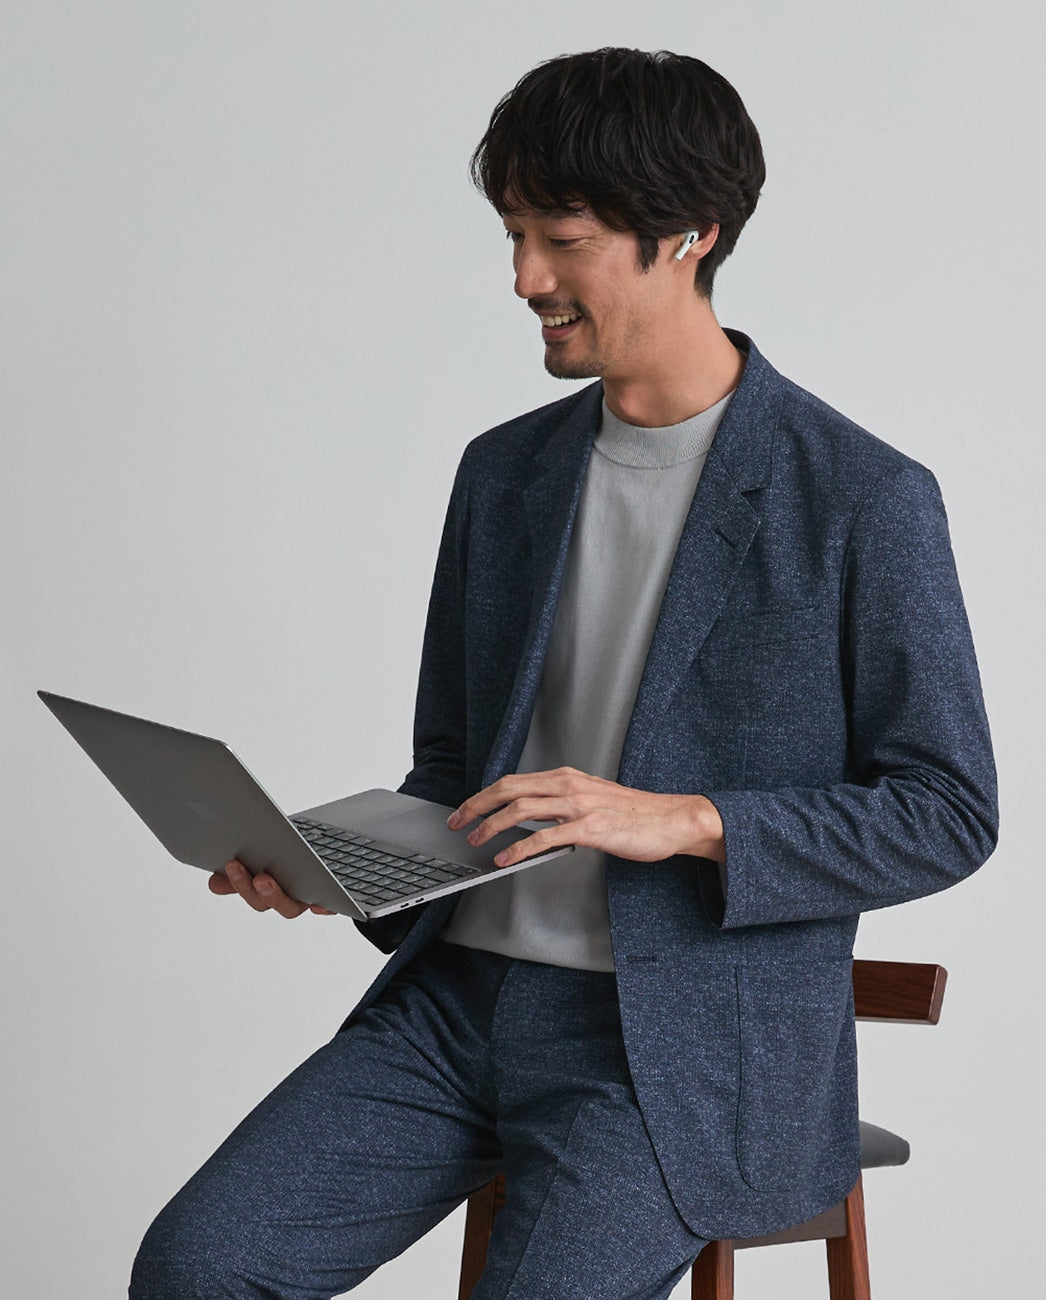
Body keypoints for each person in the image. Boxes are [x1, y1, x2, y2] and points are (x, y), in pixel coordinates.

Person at [130, 47, 997, 1300]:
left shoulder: (861, 498)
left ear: (689, 235)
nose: (525, 277)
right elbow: (451, 770)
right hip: (453, 1007)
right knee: (198, 1267)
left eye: (562, 239)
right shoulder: (505, 474)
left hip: (675, 1054)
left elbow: (946, 811)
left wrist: (682, 820)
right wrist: (341, 865)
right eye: (514, 235)